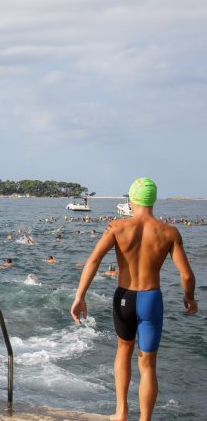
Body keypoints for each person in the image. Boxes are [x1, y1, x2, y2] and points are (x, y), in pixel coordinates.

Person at [70, 178, 197, 421]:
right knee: (148, 364)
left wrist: (80, 296)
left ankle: (121, 412)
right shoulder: (169, 232)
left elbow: (94, 260)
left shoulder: (116, 227)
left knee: (123, 351)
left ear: (131, 199)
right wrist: (190, 298)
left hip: (124, 297)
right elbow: (186, 275)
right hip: (151, 299)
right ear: (154, 200)